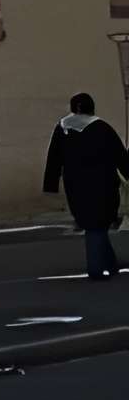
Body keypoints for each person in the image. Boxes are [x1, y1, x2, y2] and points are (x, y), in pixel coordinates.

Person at [45, 92, 126, 280]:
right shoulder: (102, 128)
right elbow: (119, 155)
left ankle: (110, 264)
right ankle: (96, 269)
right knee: (97, 225)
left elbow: (54, 158)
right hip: (102, 184)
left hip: (75, 185)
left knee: (93, 224)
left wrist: (51, 184)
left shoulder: (63, 129)